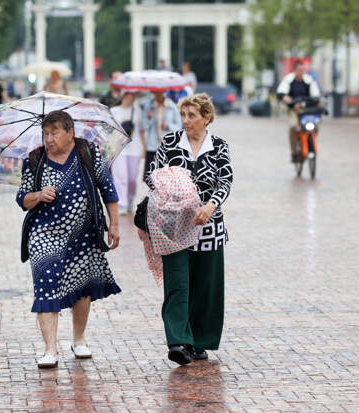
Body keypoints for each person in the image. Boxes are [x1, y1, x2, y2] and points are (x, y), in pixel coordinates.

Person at [16, 110, 121, 368]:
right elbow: (22, 199)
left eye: (54, 133)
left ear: (70, 132)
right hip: (45, 234)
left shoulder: (90, 153)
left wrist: (114, 225)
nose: (49, 139)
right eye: (45, 133)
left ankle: (79, 339)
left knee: (82, 288)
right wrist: (39, 195)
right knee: (45, 284)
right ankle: (50, 349)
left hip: (84, 233)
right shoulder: (34, 159)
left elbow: (108, 189)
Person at [144, 93, 233, 365]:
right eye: (184, 115)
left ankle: (199, 340)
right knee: (178, 285)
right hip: (173, 227)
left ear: (207, 117)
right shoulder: (170, 142)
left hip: (209, 225)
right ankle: (178, 341)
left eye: (192, 115)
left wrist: (210, 207)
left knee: (205, 287)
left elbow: (226, 180)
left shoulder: (219, 145)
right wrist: (174, 193)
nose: (186, 121)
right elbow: (152, 175)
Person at [276, 60, 321, 162]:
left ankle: (310, 143)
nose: (301, 72)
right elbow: (282, 93)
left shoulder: (309, 80)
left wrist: (317, 100)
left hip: (307, 110)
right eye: (299, 70)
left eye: (303, 70)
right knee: (293, 126)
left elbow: (316, 94)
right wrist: (289, 101)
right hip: (294, 110)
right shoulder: (288, 80)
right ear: (295, 70)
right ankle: (294, 152)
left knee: (316, 126)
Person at [111, 91, 143, 214]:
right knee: (120, 176)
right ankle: (122, 203)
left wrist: (144, 148)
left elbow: (142, 131)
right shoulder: (114, 111)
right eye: (129, 95)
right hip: (119, 148)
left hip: (135, 148)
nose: (131, 98)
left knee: (132, 178)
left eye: (133, 95)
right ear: (123, 95)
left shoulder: (138, 111)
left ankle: (130, 199)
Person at [140, 91, 182, 180]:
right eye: (156, 92)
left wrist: (168, 126)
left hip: (167, 147)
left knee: (167, 177)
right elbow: (143, 127)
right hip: (152, 146)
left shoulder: (171, 106)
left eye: (161, 92)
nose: (158, 94)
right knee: (150, 177)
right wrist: (149, 117)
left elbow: (179, 127)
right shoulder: (149, 106)